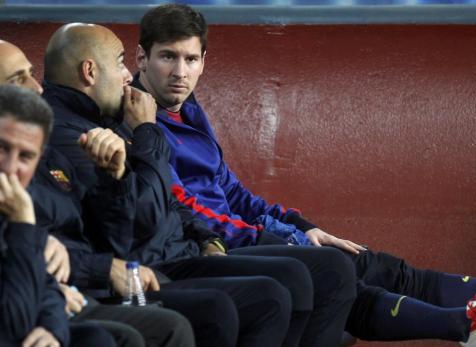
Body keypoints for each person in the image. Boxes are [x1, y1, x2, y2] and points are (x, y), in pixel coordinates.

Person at [133, 4, 476, 346]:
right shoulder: (141, 123)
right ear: (142, 59)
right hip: (216, 248)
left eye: (191, 60)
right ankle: (473, 321)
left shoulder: (189, 111)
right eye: (168, 58)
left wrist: (301, 226)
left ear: (204, 62)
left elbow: (231, 190)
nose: (180, 72)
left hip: (247, 235)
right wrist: (280, 236)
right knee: (352, 277)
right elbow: (187, 208)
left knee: (379, 265)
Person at [41, 23, 337, 347]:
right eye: (121, 62)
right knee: (261, 298)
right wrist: (148, 131)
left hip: (180, 248)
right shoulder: (78, 136)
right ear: (89, 71)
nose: (127, 75)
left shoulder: (109, 120)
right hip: (150, 263)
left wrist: (207, 238)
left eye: (192, 59)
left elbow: (172, 199)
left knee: (313, 273)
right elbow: (144, 219)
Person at [0, 38, 205, 347]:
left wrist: (113, 179)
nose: (36, 87)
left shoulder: (51, 151)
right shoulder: (64, 134)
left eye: (31, 73)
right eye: (18, 80)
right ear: (90, 71)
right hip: (81, 287)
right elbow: (145, 221)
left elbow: (114, 235)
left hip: (72, 289)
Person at [0, 84, 121, 347]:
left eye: (25, 157)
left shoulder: (12, 203)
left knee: (97, 340)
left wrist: (53, 329)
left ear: (39, 158)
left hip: (70, 292)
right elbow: (14, 326)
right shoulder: (19, 211)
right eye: (1, 148)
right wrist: (24, 227)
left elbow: (46, 285)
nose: (10, 168)